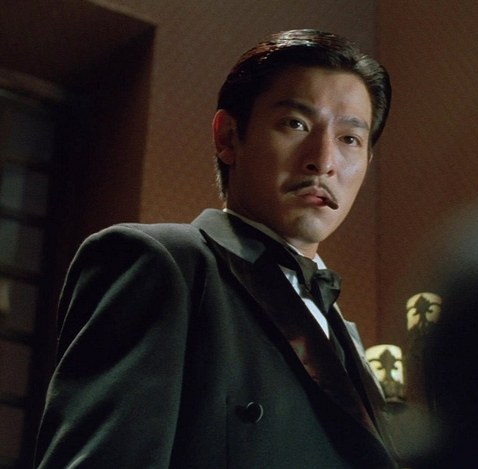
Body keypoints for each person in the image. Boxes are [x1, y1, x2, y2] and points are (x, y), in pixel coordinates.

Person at [34, 29, 396, 468]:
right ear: (228, 137)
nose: (323, 160)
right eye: (295, 123)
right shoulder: (161, 262)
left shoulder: (343, 329)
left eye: (349, 138)